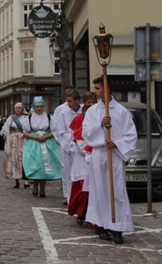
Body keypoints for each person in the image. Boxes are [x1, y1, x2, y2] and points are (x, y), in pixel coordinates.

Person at [83, 77, 137, 245]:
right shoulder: (92, 111)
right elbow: (86, 133)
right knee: (99, 190)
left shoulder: (121, 111)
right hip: (99, 154)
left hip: (114, 154)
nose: (95, 91)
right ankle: (100, 225)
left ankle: (117, 226)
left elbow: (130, 135)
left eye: (98, 88)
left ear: (107, 89)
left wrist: (117, 144)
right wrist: (100, 124)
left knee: (117, 191)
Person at [22, 96, 61, 198]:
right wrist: (35, 137)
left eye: (41, 106)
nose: (39, 108)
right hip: (33, 144)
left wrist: (46, 137)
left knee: (44, 167)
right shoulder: (29, 118)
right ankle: (35, 186)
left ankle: (42, 189)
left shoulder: (49, 117)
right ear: (34, 107)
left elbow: (54, 131)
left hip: (47, 143)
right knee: (36, 165)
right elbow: (25, 132)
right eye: (37, 107)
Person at [68, 91, 97, 225]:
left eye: (93, 102)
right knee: (83, 189)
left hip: (96, 156)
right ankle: (81, 212)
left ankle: (93, 215)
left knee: (95, 189)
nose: (91, 105)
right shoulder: (79, 119)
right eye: (88, 103)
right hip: (83, 158)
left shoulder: (99, 116)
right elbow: (76, 136)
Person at [53, 85, 81, 204]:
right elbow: (59, 131)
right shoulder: (62, 112)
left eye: (70, 101)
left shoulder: (84, 111)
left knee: (80, 173)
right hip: (67, 146)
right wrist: (68, 142)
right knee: (67, 171)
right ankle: (69, 196)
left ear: (77, 100)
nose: (68, 103)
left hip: (81, 147)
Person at [1, 102, 29, 189]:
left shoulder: (26, 118)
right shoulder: (11, 118)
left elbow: (28, 128)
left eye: (19, 108)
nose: (18, 109)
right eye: (16, 108)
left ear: (22, 109)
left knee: (23, 159)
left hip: (23, 140)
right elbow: (5, 128)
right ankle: (16, 180)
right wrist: (6, 135)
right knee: (14, 159)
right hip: (13, 142)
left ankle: (25, 180)